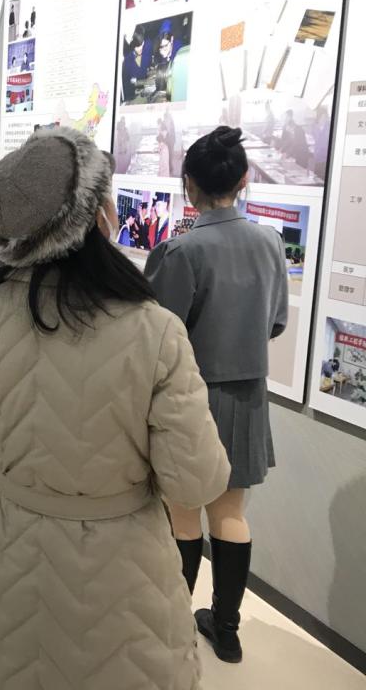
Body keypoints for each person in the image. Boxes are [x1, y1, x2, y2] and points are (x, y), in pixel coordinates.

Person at [0, 127, 230, 689]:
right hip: (122, 569)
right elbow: (196, 480)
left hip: (12, 550)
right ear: (95, 217)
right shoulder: (153, 329)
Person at [146, 126, 289, 664]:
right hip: (249, 399)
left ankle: (173, 624)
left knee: (183, 517)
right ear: (244, 179)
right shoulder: (270, 243)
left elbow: (158, 336)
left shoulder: (179, 250)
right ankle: (226, 630)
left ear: (189, 184)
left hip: (191, 398)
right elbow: (276, 322)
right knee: (231, 516)